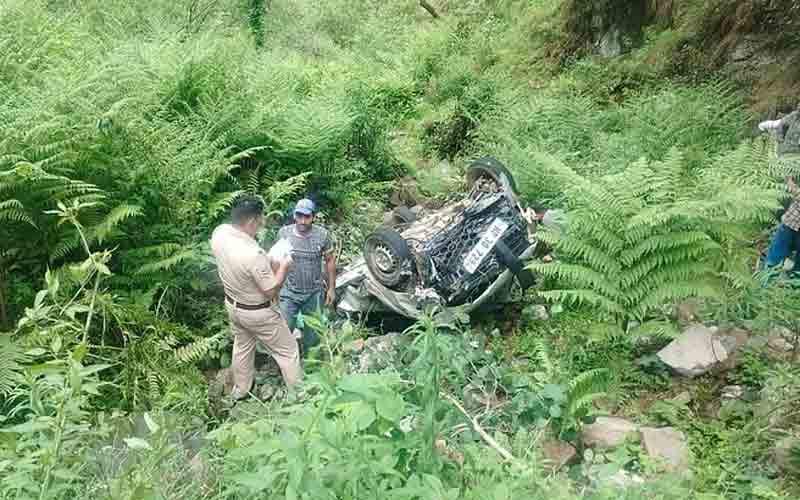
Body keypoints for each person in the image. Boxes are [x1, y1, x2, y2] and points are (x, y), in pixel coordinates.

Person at [210, 195, 301, 400]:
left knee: (242, 345)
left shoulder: (220, 233)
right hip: (258, 313)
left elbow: (236, 264)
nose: (260, 225)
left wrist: (265, 261)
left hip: (233, 307)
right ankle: (299, 395)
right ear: (251, 221)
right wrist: (284, 267)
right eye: (260, 221)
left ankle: (240, 390)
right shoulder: (252, 253)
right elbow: (270, 290)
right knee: (288, 351)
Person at [269, 198, 336, 356]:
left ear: (313, 217)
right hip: (289, 292)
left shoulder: (323, 236)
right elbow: (276, 260)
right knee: (283, 330)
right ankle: (282, 365)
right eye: (299, 216)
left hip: (314, 293)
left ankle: (310, 365)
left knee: (312, 335)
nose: (303, 221)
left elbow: (330, 261)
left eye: (307, 217)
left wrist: (331, 289)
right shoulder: (284, 234)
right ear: (294, 216)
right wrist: (274, 290)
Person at [760, 110, 800, 271]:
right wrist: (790, 182)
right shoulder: (795, 118)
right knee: (788, 222)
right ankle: (771, 270)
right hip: (792, 178)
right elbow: (788, 154)